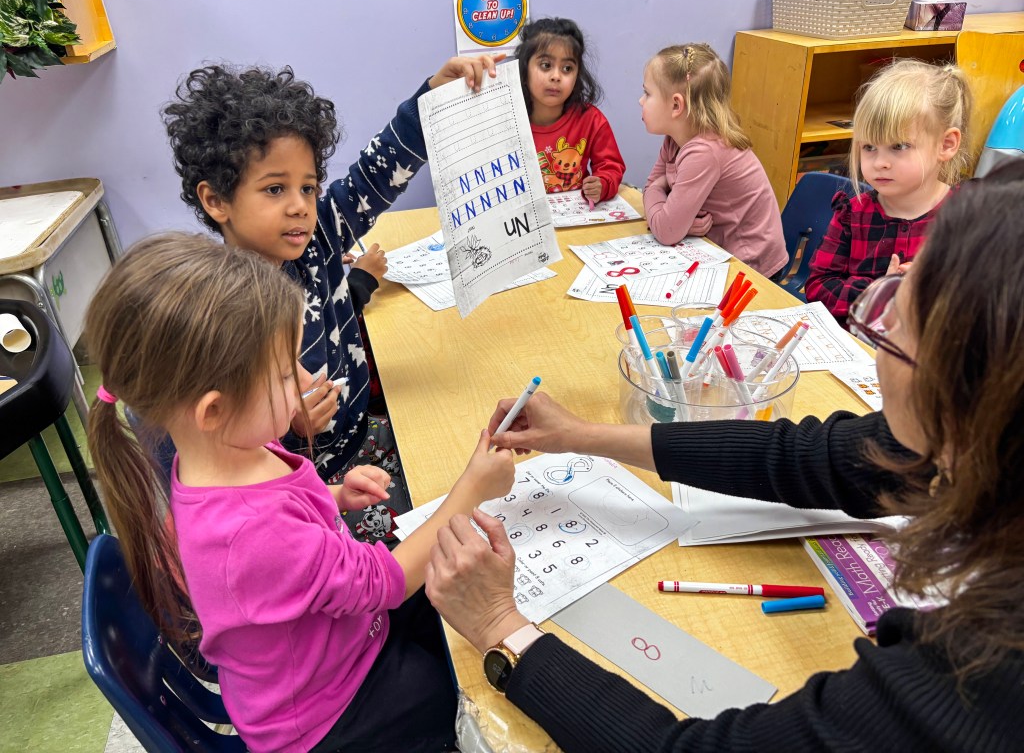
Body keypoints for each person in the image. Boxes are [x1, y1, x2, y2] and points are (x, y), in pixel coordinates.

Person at [423, 164, 1024, 751]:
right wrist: (583, 435)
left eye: (895, 322)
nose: (879, 328)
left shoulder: (984, 673)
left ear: (962, 389)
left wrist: (504, 630)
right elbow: (801, 456)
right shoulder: (976, 445)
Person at [85, 235, 515, 753]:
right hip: (322, 719)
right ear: (214, 410)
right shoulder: (251, 530)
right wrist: (472, 490)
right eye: (287, 372)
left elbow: (282, 509)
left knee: (450, 601)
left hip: (332, 653)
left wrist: (333, 496)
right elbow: (383, 583)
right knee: (462, 693)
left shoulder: (223, 451)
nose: (310, 379)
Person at [162, 55, 500, 538]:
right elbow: (235, 457)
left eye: (308, 187)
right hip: (311, 487)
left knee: (461, 459)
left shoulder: (317, 236)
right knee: (437, 544)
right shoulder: (225, 316)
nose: (300, 206)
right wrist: (292, 428)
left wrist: (432, 96)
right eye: (275, 189)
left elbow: (376, 173)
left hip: (362, 437)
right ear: (216, 201)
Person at [806, 59, 971, 326]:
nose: (880, 163)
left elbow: (987, 301)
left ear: (946, 144)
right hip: (857, 343)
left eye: (899, 146)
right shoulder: (852, 213)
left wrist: (932, 289)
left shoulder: (968, 217)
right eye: (869, 147)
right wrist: (876, 292)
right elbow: (818, 286)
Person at [640, 43, 787, 277]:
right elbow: (659, 206)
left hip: (752, 268)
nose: (641, 101)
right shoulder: (675, 139)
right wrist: (676, 221)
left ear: (676, 105)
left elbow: (665, 228)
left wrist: (659, 194)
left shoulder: (704, 151)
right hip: (716, 250)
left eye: (647, 93)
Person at [516, 17, 625, 202]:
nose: (556, 76)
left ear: (577, 75)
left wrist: (602, 184)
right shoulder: (508, 121)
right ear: (525, 70)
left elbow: (611, 167)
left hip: (576, 214)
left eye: (567, 68)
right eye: (546, 65)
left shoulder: (591, 120)